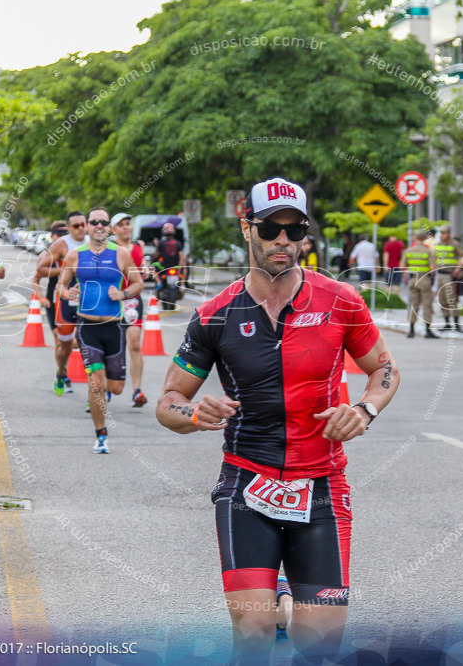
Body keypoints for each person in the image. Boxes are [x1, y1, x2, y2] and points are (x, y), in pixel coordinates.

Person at [156, 177, 398, 664]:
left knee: (319, 641)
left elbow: (384, 370)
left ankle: (287, 598)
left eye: (295, 230)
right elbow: (168, 402)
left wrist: (365, 409)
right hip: (247, 484)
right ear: (248, 229)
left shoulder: (341, 300)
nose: (283, 241)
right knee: (253, 628)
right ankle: (275, 602)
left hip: (323, 486)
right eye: (271, 228)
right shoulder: (214, 316)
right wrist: (194, 413)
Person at [59, 207, 143, 453]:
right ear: (86, 226)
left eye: (103, 222)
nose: (98, 226)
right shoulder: (75, 255)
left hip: (114, 326)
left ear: (108, 227)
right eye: (93, 222)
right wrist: (67, 293)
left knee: (114, 387)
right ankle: (101, 435)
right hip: (86, 327)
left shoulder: (122, 254)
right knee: (95, 383)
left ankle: (106, 391)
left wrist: (123, 293)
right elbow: (61, 287)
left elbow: (138, 282)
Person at [34, 214, 88, 395]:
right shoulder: (61, 245)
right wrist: (68, 269)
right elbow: (40, 269)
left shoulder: (94, 242)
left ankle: (97, 389)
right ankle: (61, 372)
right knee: (63, 345)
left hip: (89, 300)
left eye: (83, 224)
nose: (81, 228)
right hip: (64, 298)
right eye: (76, 225)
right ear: (70, 227)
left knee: (89, 342)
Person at [110, 212, 151, 407]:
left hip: (132, 299)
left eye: (128, 224)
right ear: (113, 230)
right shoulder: (109, 249)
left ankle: (137, 391)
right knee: (113, 347)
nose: (126, 227)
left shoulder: (137, 247)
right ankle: (107, 387)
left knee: (134, 344)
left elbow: (142, 266)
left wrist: (146, 269)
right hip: (111, 302)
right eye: (121, 225)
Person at [401, 229, 437, 338]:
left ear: (414, 238)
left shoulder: (408, 251)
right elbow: (432, 268)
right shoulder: (428, 252)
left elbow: (402, 267)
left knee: (413, 305)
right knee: (427, 305)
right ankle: (428, 330)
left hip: (413, 280)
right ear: (425, 239)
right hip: (424, 279)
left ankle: (411, 330)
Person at [433, 225, 463, 331]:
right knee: (441, 299)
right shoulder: (438, 245)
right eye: (441, 232)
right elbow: (434, 257)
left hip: (449, 275)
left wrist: (458, 269)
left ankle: (456, 323)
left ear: (449, 233)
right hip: (440, 274)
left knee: (451, 298)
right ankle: (447, 323)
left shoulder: (455, 244)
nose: (443, 235)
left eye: (445, 233)